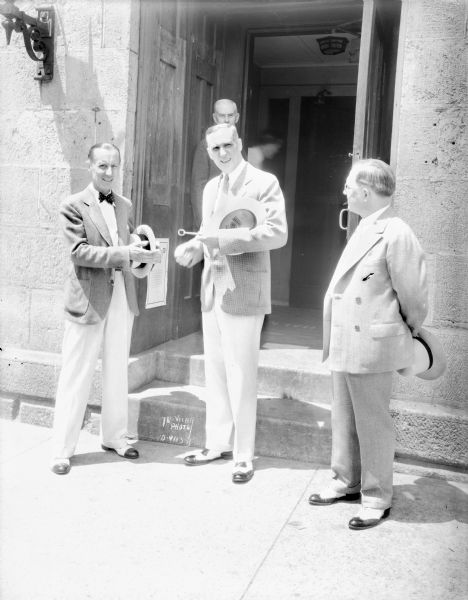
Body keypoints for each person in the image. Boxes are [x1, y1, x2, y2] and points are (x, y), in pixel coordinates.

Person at [308, 159, 428, 529]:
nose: (344, 191)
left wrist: (404, 328)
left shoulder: (396, 231)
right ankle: (346, 481)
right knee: (343, 415)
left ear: (365, 190)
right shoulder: (365, 226)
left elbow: (414, 295)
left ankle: (377, 498)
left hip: (372, 343)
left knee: (372, 421)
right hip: (346, 339)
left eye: (348, 186)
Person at [175, 123, 288, 483]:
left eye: (227, 145)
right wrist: (195, 247)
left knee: (242, 372)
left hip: (245, 288)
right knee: (216, 369)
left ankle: (243, 455)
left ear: (239, 142)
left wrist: (219, 239)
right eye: (215, 149)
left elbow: (277, 233)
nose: (222, 153)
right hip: (214, 289)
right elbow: (207, 232)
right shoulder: (211, 187)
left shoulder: (263, 182)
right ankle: (216, 444)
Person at [50, 142, 161, 475]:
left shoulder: (124, 204)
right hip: (88, 299)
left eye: (114, 166)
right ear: (90, 166)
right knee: (76, 372)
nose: (109, 173)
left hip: (121, 297)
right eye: (102, 166)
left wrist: (144, 256)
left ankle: (115, 438)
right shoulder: (72, 205)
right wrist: (126, 253)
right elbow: (80, 253)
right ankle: (62, 449)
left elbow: (130, 247)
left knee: (117, 369)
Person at [190, 99, 240, 229]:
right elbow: (198, 188)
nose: (226, 120)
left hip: (235, 220)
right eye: (222, 116)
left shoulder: (239, 147)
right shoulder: (205, 147)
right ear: (215, 118)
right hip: (213, 219)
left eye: (230, 115)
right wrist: (205, 225)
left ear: (237, 117)